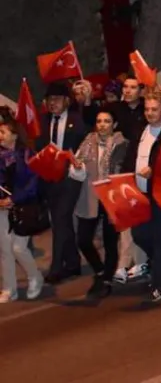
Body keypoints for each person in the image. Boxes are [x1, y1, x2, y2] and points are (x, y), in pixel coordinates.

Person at [122, 88, 161, 302]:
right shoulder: (141, 130)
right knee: (139, 235)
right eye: (147, 109)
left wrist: (154, 170)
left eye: (154, 109)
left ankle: (159, 285)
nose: (150, 113)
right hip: (140, 193)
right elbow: (131, 157)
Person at [73, 109, 127, 298]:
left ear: (114, 125)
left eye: (107, 121)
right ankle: (100, 270)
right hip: (91, 196)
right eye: (99, 121)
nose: (102, 124)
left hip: (112, 196)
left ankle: (106, 279)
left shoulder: (122, 144)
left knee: (111, 241)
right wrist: (77, 167)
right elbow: (76, 171)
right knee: (83, 239)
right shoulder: (88, 142)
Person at [38, 82, 87, 284]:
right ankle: (73, 262)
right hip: (49, 177)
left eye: (57, 99)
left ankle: (56, 267)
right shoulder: (43, 121)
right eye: (49, 100)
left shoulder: (78, 120)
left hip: (70, 176)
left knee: (60, 219)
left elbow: (85, 145)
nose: (53, 103)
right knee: (62, 220)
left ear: (67, 101)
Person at [0, 121, 44, 302]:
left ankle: (35, 277)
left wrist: (13, 199)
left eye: (2, 132)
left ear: (15, 135)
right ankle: (9, 289)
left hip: (24, 207)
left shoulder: (27, 155)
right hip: (2, 207)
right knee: (4, 250)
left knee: (18, 248)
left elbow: (33, 183)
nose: (0, 135)